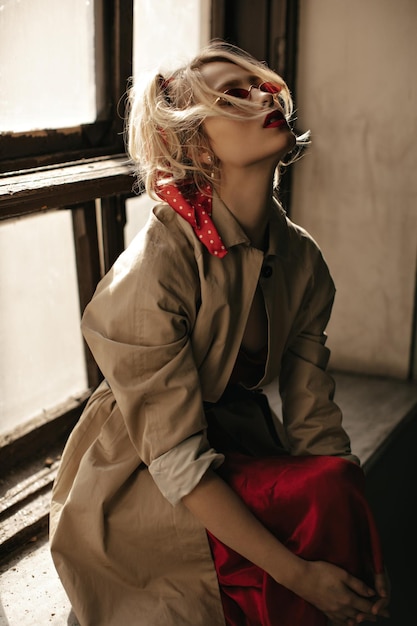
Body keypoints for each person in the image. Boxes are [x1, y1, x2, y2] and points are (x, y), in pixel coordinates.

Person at [50, 41, 390, 626]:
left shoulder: (302, 262)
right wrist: (304, 574)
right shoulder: (156, 269)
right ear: (197, 147)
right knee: (293, 584)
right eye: (234, 95)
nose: (263, 95)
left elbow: (316, 426)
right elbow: (177, 460)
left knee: (331, 490)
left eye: (258, 84)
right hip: (140, 481)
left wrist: (365, 551)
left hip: (235, 447)